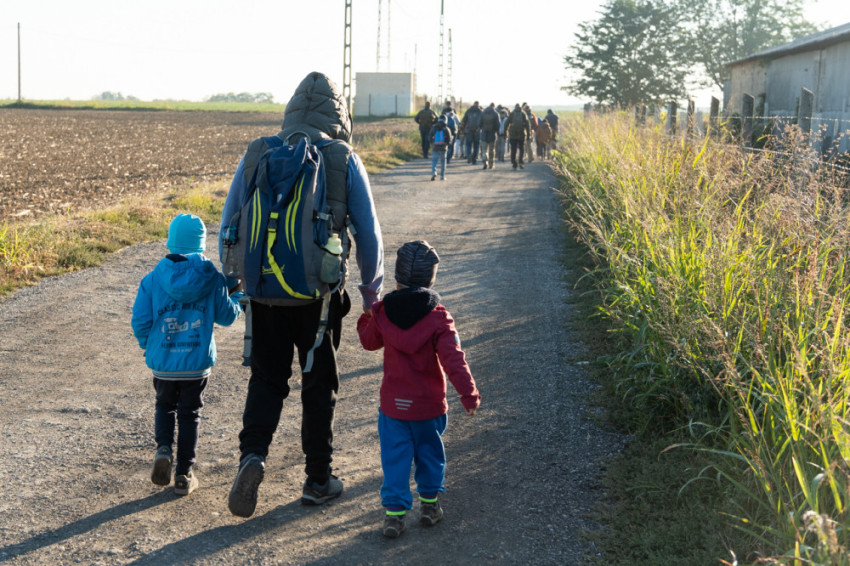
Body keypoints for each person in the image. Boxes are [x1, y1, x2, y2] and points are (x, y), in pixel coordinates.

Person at [220, 72, 384, 518]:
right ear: (339, 117)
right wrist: (371, 294)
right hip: (319, 297)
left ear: (291, 111)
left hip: (264, 292)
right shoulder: (342, 157)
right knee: (318, 383)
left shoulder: (259, 151)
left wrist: (234, 280)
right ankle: (317, 479)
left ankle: (252, 456)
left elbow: (230, 220)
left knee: (266, 379)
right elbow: (368, 234)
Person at [356, 240, 481, 539]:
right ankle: (429, 506)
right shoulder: (438, 317)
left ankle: (394, 516)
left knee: (395, 459)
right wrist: (468, 394)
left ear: (396, 277)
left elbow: (369, 342)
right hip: (428, 407)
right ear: (431, 279)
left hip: (393, 408)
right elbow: (454, 359)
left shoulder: (383, 312)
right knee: (430, 454)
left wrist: (367, 315)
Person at [131, 213, 243, 496]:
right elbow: (227, 317)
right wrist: (237, 297)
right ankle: (184, 474)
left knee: (164, 406)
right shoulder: (213, 278)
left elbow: (140, 321)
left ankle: (163, 449)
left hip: (164, 363)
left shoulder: (152, 279)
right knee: (190, 414)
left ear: (171, 242)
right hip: (196, 364)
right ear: (201, 244)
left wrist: (149, 346)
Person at [428, 115, 454, 181]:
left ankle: (434, 172)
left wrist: (432, 143)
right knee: (443, 162)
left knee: (434, 161)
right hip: (443, 147)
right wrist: (447, 144)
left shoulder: (434, 127)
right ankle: (442, 176)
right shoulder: (446, 128)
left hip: (435, 146)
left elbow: (430, 137)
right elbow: (449, 138)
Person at [505, 103, 530, 170]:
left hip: (513, 135)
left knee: (513, 149)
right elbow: (527, 125)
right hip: (521, 134)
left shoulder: (512, 114)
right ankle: (520, 161)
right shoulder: (523, 114)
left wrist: (505, 133)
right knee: (521, 149)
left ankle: (514, 163)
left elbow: (506, 124)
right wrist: (528, 135)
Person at [479, 102, 500, 170]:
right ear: (494, 106)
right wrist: (497, 132)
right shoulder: (495, 114)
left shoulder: (483, 113)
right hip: (492, 134)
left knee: (484, 150)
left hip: (484, 134)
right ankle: (491, 164)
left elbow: (479, 124)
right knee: (491, 150)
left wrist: (482, 129)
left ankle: (485, 160)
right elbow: (498, 125)